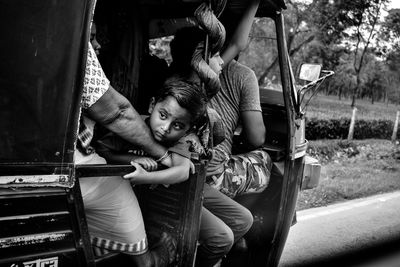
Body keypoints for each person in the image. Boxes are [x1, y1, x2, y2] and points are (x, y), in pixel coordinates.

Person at [76, 27, 176, 266]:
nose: (97, 45)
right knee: (117, 188)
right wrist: (162, 154)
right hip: (69, 168)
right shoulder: (74, 48)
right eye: (91, 38)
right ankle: (145, 260)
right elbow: (117, 113)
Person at [96, 77, 208, 185]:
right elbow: (101, 150)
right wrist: (134, 159)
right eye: (163, 115)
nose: (165, 128)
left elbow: (182, 173)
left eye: (177, 125)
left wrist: (145, 177)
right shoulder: (131, 125)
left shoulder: (181, 139)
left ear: (187, 130)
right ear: (152, 105)